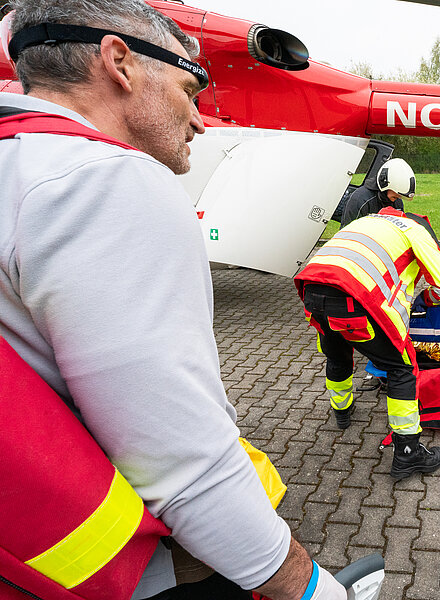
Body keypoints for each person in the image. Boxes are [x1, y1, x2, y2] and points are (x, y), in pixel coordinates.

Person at [0, 1, 344, 599]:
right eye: (190, 91)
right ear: (120, 63)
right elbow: (181, 461)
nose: (201, 121)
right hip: (112, 566)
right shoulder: (104, 179)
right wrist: (305, 585)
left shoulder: (16, 161)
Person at [294, 208, 440, 480]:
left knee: (338, 355)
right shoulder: (415, 231)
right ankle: (408, 452)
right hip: (356, 299)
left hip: (312, 287)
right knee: (402, 368)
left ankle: (342, 411)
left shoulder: (366, 221)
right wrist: (425, 300)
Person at [340, 157, 416, 228]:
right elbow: (347, 233)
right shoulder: (359, 200)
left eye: (399, 197)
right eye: (395, 197)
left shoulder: (397, 203)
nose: (397, 200)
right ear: (385, 184)